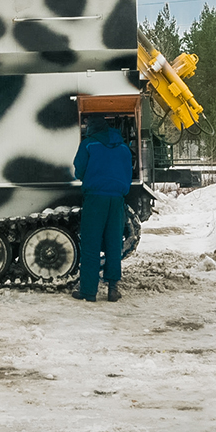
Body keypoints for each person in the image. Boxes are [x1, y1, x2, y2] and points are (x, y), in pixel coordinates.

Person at [71, 115, 133, 303]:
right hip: (117, 200)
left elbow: (78, 171)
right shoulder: (123, 147)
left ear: (91, 129)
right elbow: (129, 173)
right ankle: (113, 289)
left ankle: (88, 291)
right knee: (114, 242)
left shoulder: (89, 144)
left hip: (95, 198)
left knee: (91, 243)